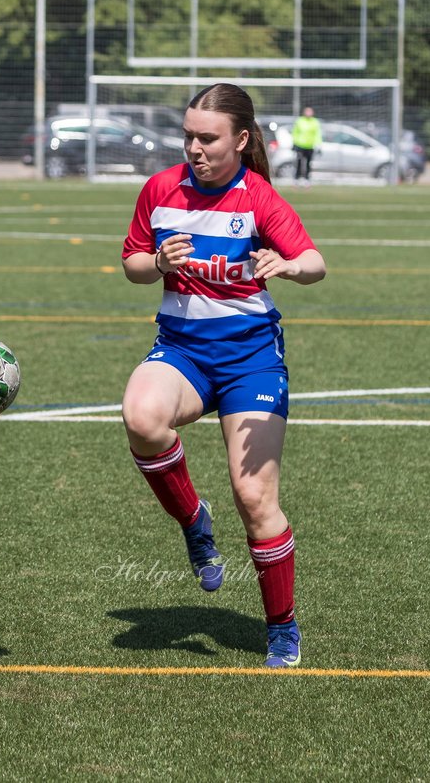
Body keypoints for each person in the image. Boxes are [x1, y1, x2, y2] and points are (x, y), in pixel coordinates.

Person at [120, 83, 326, 669]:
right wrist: (157, 263)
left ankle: (282, 626)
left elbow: (316, 263)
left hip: (250, 359)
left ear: (241, 139)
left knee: (254, 496)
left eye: (207, 138)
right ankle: (193, 520)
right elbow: (133, 262)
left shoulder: (258, 198)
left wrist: (285, 265)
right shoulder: (160, 189)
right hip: (182, 349)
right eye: (188, 135)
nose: (194, 147)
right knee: (142, 416)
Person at [291, 106, 321, 188]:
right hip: (300, 145)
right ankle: (296, 179)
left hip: (310, 146)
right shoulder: (300, 121)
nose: (308, 113)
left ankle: (307, 180)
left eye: (310, 111)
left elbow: (317, 134)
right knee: (299, 162)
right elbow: (295, 132)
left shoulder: (315, 122)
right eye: (307, 111)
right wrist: (294, 143)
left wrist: (318, 145)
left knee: (308, 163)